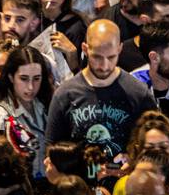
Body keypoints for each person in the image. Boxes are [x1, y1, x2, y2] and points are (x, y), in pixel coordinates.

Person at [46, 20, 157, 158]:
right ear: (85, 49)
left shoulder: (138, 93)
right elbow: (52, 150)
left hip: (125, 178)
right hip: (80, 178)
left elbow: (154, 147)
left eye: (111, 57)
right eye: (97, 57)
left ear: (120, 49)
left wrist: (133, 161)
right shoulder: (65, 94)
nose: (104, 66)